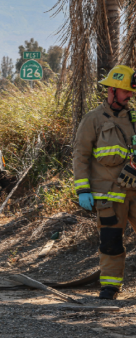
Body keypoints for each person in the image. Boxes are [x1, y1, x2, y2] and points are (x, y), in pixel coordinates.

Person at [74, 64, 136, 300]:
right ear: (112, 91)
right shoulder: (93, 119)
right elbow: (81, 155)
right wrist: (83, 190)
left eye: (130, 93)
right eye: (126, 92)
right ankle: (110, 288)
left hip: (135, 190)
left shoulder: (134, 118)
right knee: (111, 243)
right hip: (109, 195)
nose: (130, 96)